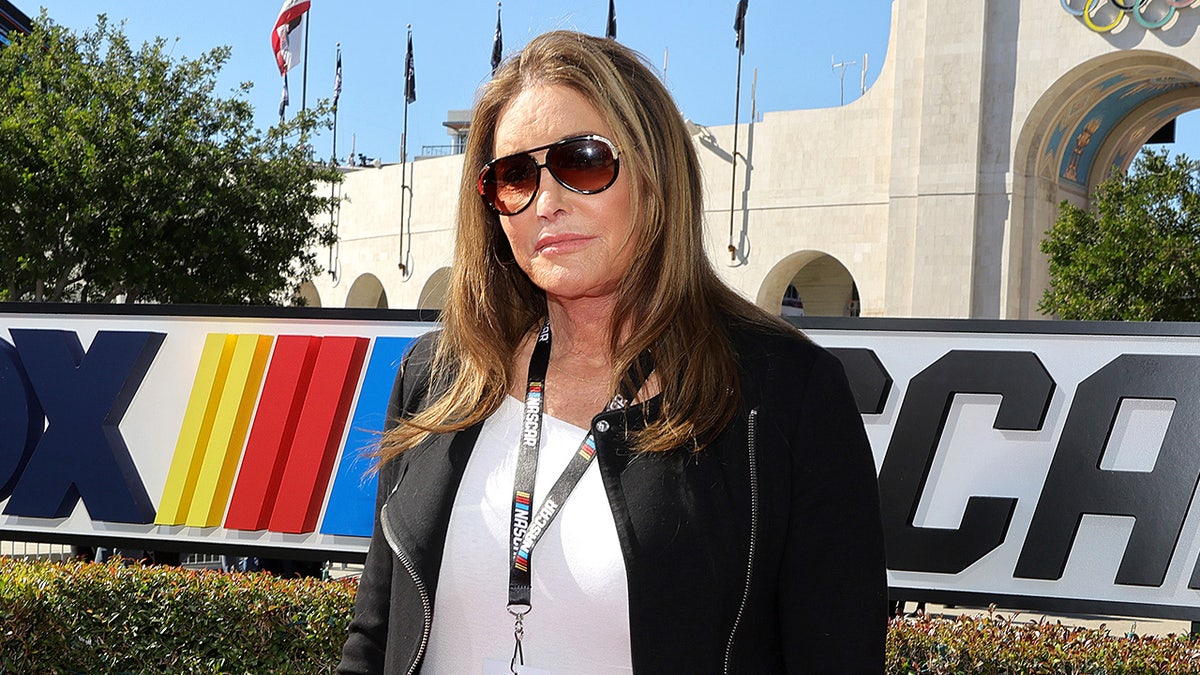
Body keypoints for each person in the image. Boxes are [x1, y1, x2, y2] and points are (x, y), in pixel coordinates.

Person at [338, 30, 886, 674]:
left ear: (656, 173)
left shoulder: (785, 396)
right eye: (514, 176)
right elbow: (374, 638)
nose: (546, 204)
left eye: (583, 161)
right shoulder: (434, 378)